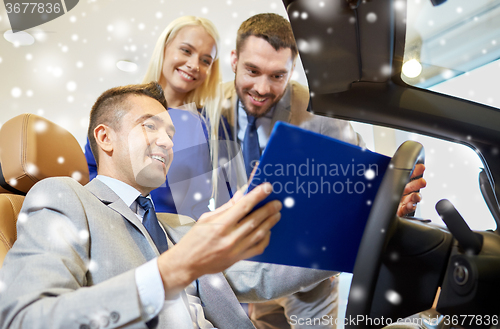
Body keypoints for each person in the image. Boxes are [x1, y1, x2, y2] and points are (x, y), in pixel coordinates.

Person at [0, 82, 334, 329]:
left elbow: (261, 274)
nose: (167, 142)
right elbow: (25, 318)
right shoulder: (64, 197)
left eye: (171, 134)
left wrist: (367, 231)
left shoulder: (178, 226)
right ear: (105, 138)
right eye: (149, 126)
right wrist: (171, 270)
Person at [217, 13, 427, 329]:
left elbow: (359, 179)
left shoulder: (322, 113)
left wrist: (384, 205)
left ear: (292, 71)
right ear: (234, 60)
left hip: (308, 270)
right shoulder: (207, 109)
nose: (262, 88)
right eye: (252, 71)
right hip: (244, 260)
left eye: (277, 76)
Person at [84, 16, 230, 219]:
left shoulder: (212, 124)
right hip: (122, 227)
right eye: (186, 50)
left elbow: (226, 192)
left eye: (206, 60)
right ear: (164, 48)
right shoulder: (122, 106)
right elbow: (91, 169)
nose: (194, 64)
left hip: (186, 236)